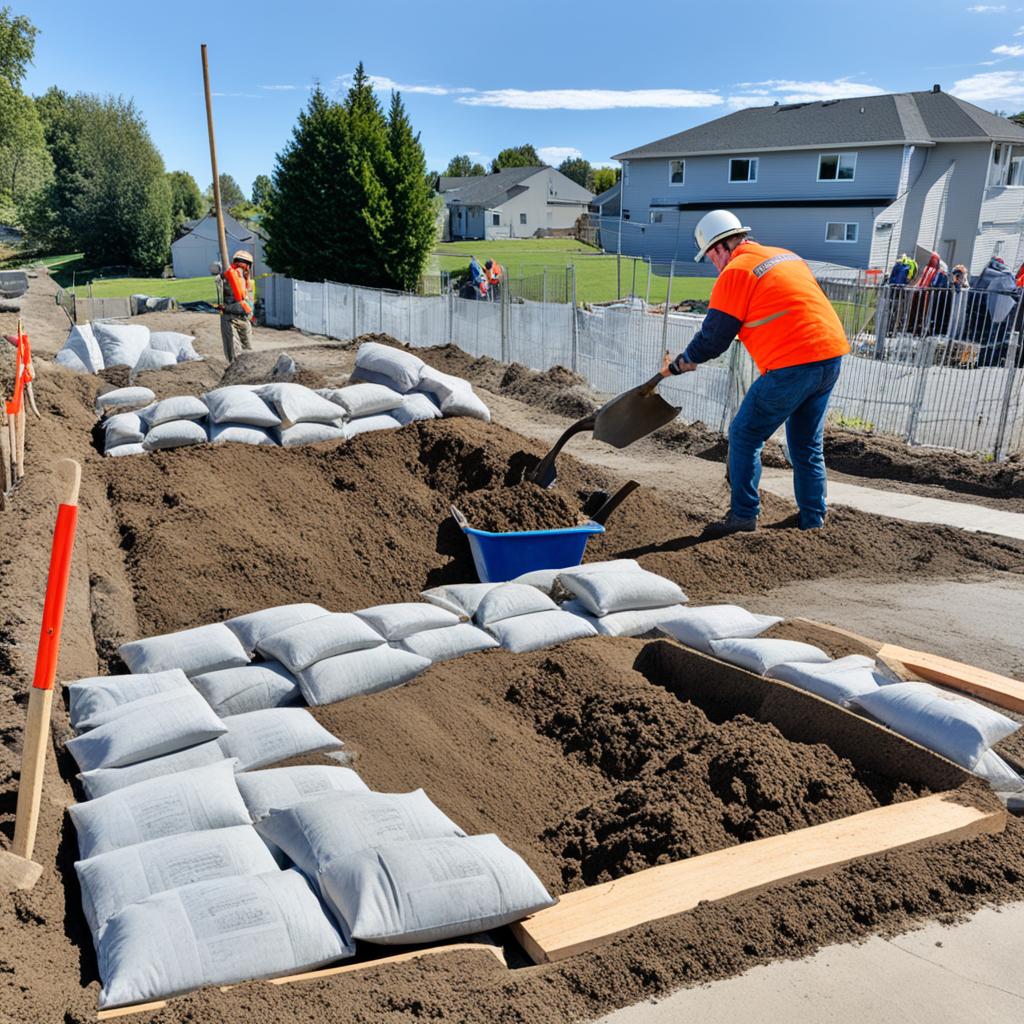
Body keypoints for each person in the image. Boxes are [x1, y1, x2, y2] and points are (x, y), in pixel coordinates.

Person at [661, 209, 849, 536]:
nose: (713, 265)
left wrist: (684, 360)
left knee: (745, 434)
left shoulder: (737, 270)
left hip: (793, 363)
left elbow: (715, 335)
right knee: (806, 446)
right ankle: (813, 520)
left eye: (710, 257)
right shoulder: (785, 256)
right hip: (830, 355)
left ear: (719, 247)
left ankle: (743, 516)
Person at [215, 250, 255, 362]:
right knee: (234, 354)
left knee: (247, 352)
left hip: (243, 319)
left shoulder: (246, 281)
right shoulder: (230, 277)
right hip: (231, 318)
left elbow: (248, 303)